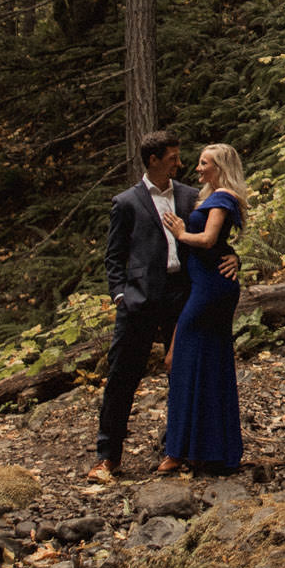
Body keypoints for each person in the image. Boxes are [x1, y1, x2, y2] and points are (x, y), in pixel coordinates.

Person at [89, 129, 201, 481]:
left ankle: (176, 449)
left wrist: (233, 262)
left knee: (181, 374)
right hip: (138, 298)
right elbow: (114, 255)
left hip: (180, 294)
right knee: (122, 376)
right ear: (153, 161)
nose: (179, 165)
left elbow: (211, 240)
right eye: (172, 160)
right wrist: (120, 294)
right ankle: (108, 456)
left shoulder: (191, 196)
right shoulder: (126, 202)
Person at [157, 142, 249, 474]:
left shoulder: (223, 196)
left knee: (186, 356)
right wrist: (233, 254)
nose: (197, 168)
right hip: (202, 284)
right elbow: (221, 243)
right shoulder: (208, 195)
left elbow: (210, 239)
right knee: (201, 360)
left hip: (211, 288)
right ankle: (201, 449)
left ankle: (185, 449)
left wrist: (181, 233)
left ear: (220, 166)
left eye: (204, 163)